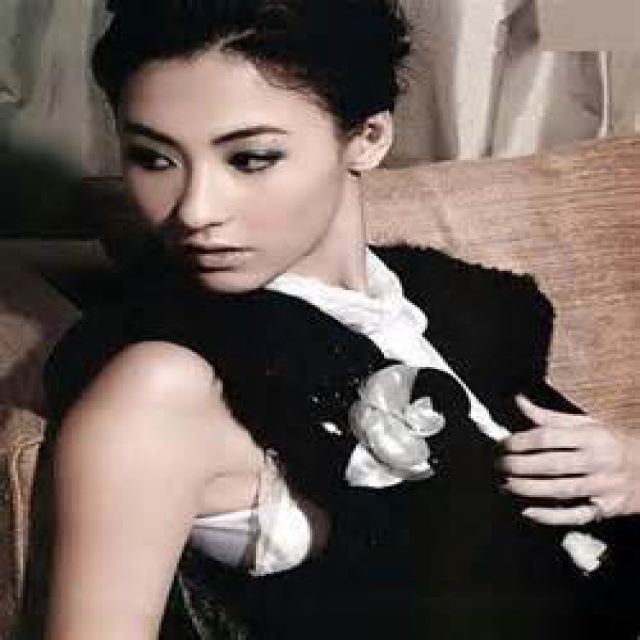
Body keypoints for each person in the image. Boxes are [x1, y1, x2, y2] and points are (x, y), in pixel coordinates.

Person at [20, 1, 640, 638]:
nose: (195, 210)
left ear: (368, 139)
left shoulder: (449, 305)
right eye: (153, 158)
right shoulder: (157, 385)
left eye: (250, 158)